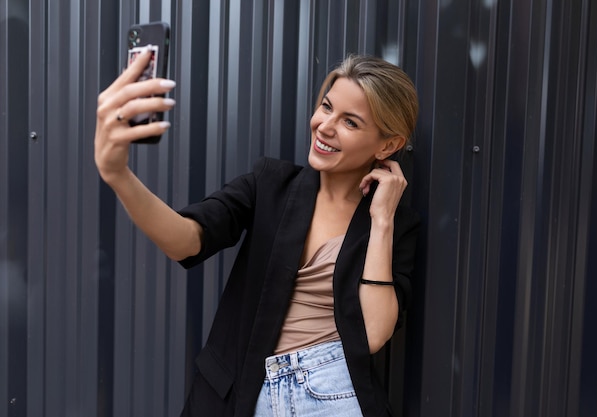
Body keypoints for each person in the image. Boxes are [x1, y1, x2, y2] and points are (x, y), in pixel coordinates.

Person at [94, 49, 419, 417]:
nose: (325, 126)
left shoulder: (395, 226)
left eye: (351, 122)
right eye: (326, 107)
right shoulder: (270, 184)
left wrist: (382, 221)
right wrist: (118, 175)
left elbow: (373, 335)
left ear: (388, 145)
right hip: (242, 393)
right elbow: (186, 240)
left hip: (330, 395)